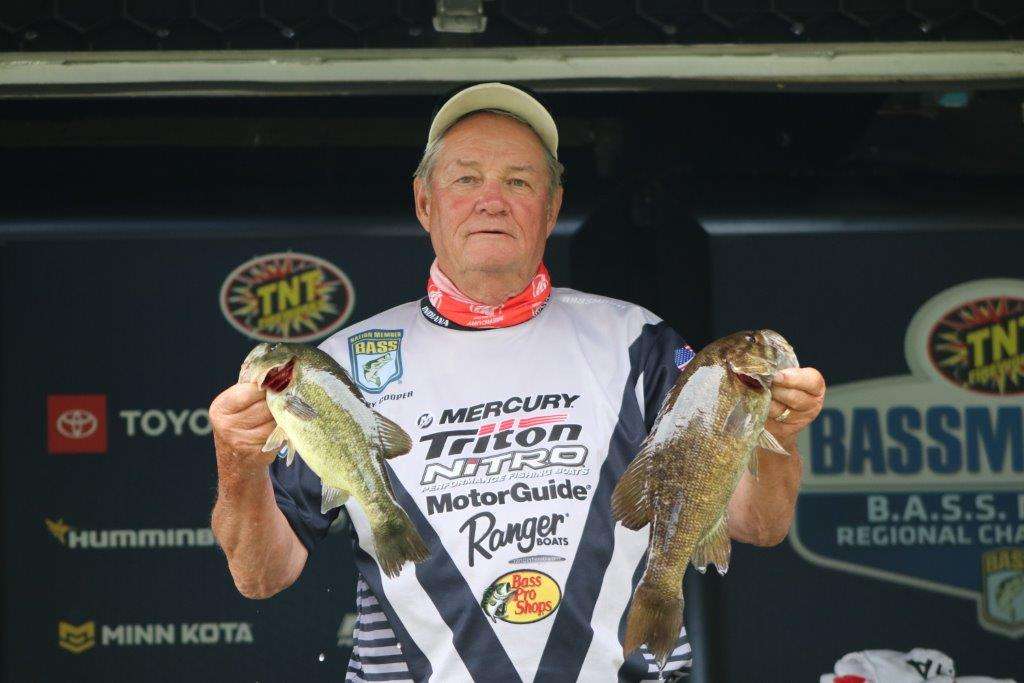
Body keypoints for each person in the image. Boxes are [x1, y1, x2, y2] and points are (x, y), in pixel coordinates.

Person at [209, 82, 826, 682]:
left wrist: (780, 435)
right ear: (425, 202)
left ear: (553, 207)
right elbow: (261, 575)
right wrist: (237, 462)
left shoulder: (639, 342)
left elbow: (759, 523)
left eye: (519, 181)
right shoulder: (339, 365)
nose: (492, 200)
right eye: (467, 178)